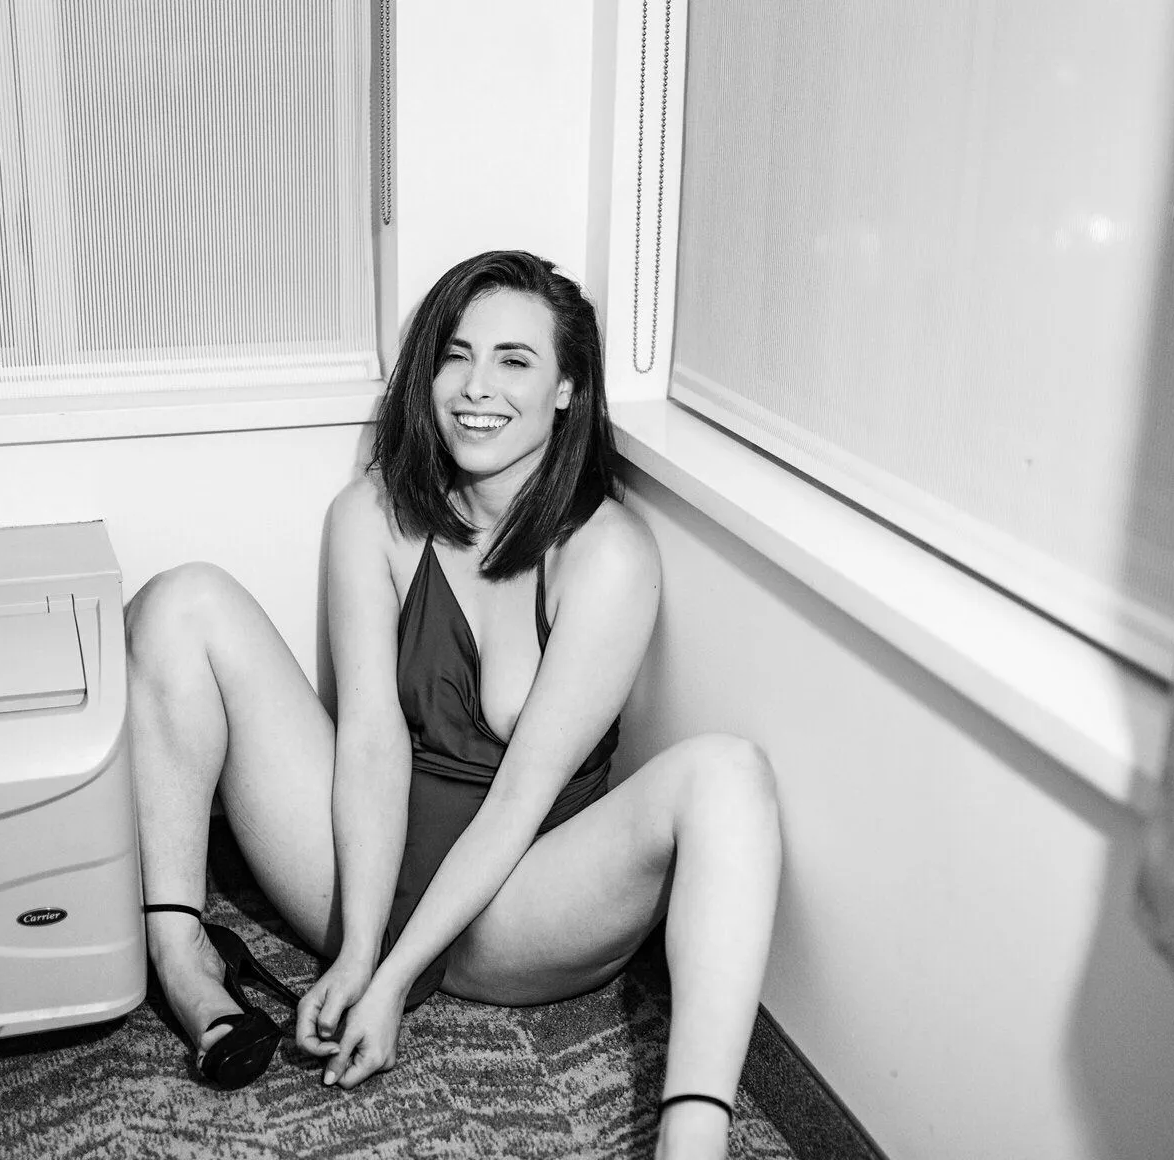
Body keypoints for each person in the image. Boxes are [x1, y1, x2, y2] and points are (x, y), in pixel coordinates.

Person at [125, 250, 781, 1160]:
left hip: (518, 902)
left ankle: (691, 1140)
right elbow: (369, 741)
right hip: (364, 865)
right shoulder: (370, 515)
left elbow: (519, 803)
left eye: (515, 360)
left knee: (730, 774)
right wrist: (360, 950)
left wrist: (392, 982)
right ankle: (181, 957)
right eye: (456, 355)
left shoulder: (610, 556)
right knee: (181, 600)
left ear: (566, 389)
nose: (476, 387)